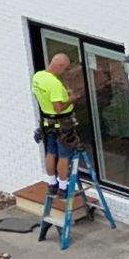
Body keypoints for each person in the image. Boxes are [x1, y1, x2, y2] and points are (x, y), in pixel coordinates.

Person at [31, 52, 87, 183]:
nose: (65, 71)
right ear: (60, 66)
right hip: (62, 123)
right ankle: (63, 186)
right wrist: (72, 99)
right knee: (64, 155)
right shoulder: (54, 83)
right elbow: (58, 108)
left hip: (47, 121)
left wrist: (64, 94)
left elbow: (46, 96)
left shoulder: (37, 76)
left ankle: (52, 182)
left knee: (51, 152)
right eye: (65, 68)